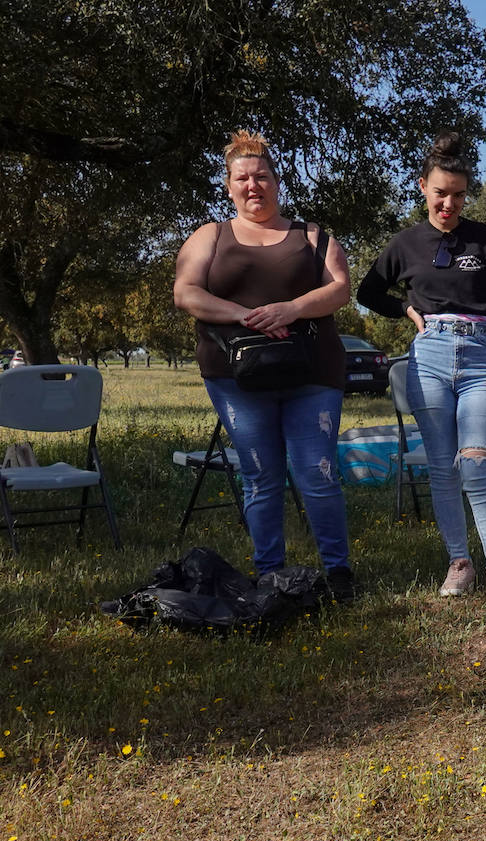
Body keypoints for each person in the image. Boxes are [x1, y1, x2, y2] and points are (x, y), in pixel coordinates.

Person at [173, 130, 355, 601]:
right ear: (229, 186)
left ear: (277, 180)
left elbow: (338, 289)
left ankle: (339, 575)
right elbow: (186, 293)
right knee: (260, 476)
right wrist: (246, 316)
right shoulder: (209, 236)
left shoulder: (312, 236)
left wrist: (290, 309)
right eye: (242, 179)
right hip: (236, 378)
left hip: (312, 373)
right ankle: (269, 574)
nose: (253, 186)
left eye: (262, 176)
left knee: (316, 473)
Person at [358, 132, 486, 603]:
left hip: (479, 356)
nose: (449, 203)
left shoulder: (485, 239)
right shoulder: (405, 243)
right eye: (440, 192)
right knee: (442, 471)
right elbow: (368, 292)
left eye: (458, 195)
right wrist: (403, 311)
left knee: (475, 465)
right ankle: (460, 563)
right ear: (423, 188)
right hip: (427, 358)